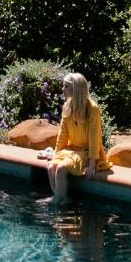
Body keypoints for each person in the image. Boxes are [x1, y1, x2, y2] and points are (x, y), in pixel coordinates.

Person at [42, 72, 111, 205]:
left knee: (61, 168)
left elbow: (94, 137)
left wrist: (92, 164)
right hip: (72, 150)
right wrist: (57, 153)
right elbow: (62, 134)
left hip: (87, 152)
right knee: (51, 166)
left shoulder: (92, 109)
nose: (63, 89)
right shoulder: (67, 106)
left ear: (76, 89)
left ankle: (57, 200)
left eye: (66, 86)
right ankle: (61, 198)